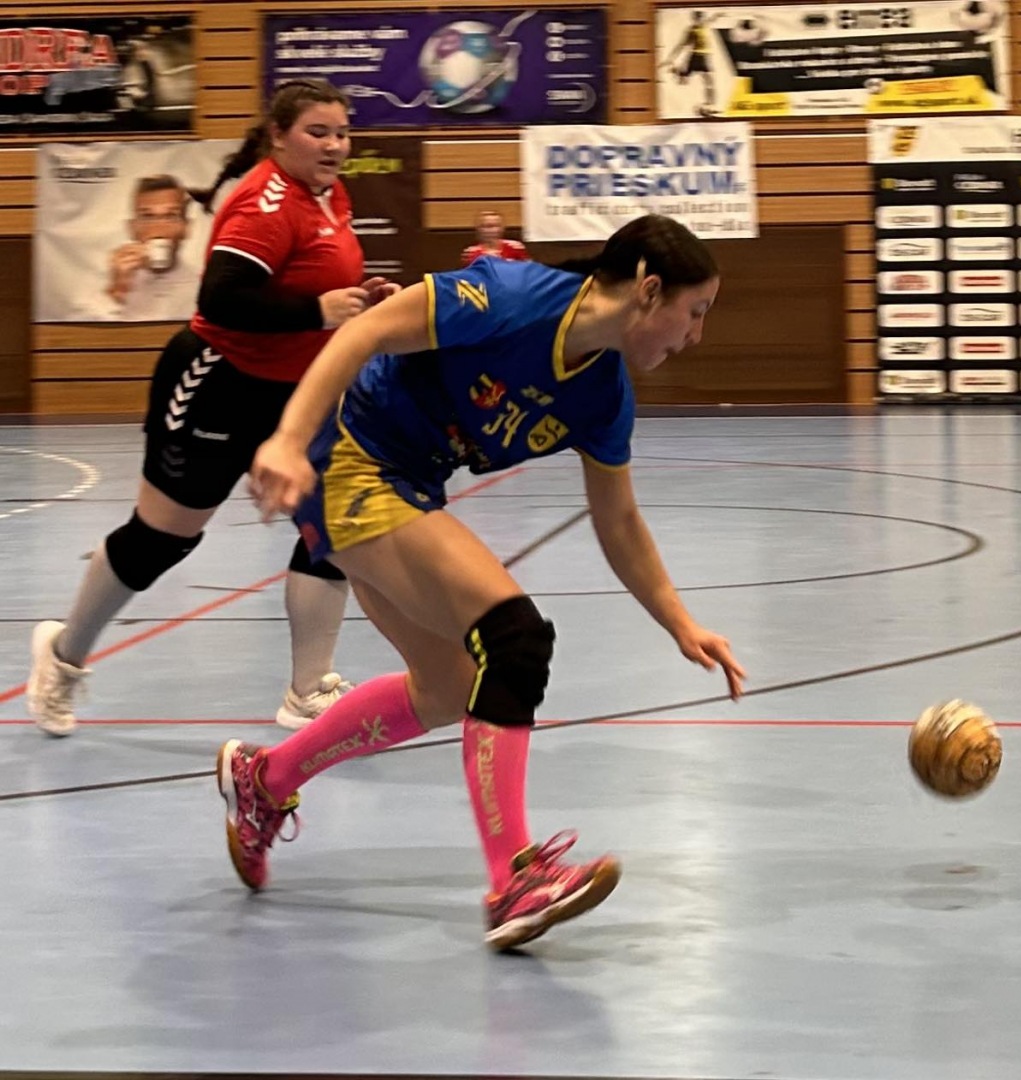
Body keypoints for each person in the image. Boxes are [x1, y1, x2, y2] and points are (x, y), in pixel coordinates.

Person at [216, 213, 748, 950]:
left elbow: (618, 520)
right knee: (513, 641)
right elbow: (364, 332)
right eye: (695, 312)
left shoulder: (602, 395)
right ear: (649, 291)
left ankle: (266, 780)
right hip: (347, 455)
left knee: (447, 689)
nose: (696, 335)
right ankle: (514, 879)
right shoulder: (509, 296)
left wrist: (679, 621)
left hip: (408, 484)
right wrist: (284, 439)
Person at [27, 78, 399, 737]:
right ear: (278, 135)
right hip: (217, 383)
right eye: (318, 132)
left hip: (296, 393)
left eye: (342, 133)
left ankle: (307, 690)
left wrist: (355, 299)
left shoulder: (329, 195)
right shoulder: (265, 202)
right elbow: (223, 298)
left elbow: (309, 283)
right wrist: (316, 310)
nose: (335, 145)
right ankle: (62, 656)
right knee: (162, 539)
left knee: (332, 527)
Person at [96, 174, 201, 321]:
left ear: (186, 228)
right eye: (148, 216)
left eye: (171, 215)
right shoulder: (109, 282)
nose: (159, 227)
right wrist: (117, 291)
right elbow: (78, 331)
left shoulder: (204, 290)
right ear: (132, 228)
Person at [662, 11, 717, 118]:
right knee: (686, 81)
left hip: (704, 57)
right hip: (696, 57)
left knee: (709, 82)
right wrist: (671, 58)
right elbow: (682, 44)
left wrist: (717, 16)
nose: (700, 20)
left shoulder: (704, 25)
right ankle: (675, 70)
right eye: (698, 18)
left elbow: (710, 21)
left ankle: (709, 106)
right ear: (694, 19)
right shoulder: (692, 31)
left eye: (701, 18)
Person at [460, 209, 529, 267]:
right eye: (487, 226)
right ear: (479, 229)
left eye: (496, 226)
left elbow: (528, 271)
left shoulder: (515, 247)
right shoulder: (471, 253)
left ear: (502, 228)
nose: (492, 230)